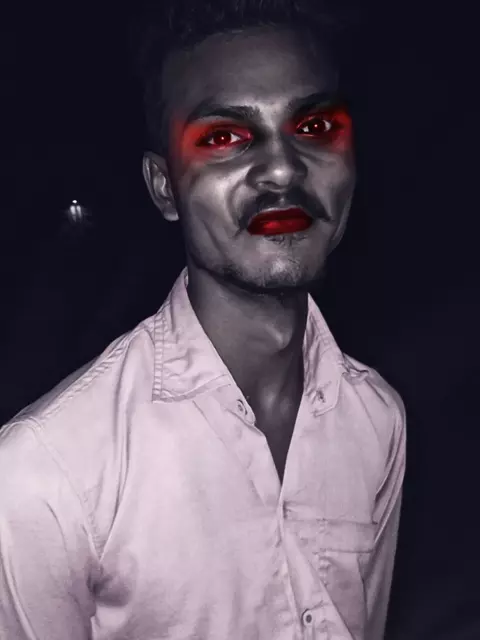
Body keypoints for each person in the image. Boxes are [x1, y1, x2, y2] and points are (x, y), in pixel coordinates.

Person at [0, 1, 406, 638]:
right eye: (223, 138)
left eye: (314, 125)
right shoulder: (45, 475)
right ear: (165, 185)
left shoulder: (377, 419)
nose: (282, 168)